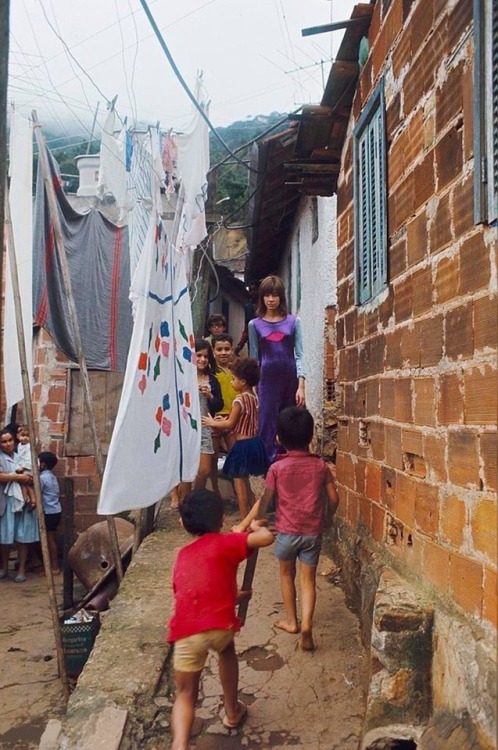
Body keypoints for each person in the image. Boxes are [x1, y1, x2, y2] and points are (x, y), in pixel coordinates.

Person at [167, 488, 274, 750]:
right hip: (218, 627)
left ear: (183, 523)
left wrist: (233, 597)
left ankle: (180, 744)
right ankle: (232, 710)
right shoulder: (227, 543)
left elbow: (192, 592)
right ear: (222, 519)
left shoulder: (183, 555)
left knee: (184, 694)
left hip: (185, 630)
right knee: (226, 650)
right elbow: (267, 537)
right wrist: (254, 527)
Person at [234, 407, 338, 652]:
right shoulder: (321, 467)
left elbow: (265, 500)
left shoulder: (277, 469)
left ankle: (292, 622)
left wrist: (251, 523)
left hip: (287, 533)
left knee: (286, 575)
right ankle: (307, 626)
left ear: (279, 438)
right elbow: (333, 499)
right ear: (310, 437)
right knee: (308, 580)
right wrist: (327, 519)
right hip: (312, 532)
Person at [248, 274, 305, 461]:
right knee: (266, 421)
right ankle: (268, 466)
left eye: (275, 295)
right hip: (266, 381)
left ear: (281, 297)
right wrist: (253, 387)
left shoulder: (294, 322)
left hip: (290, 380)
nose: (271, 299)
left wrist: (301, 386)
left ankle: (292, 461)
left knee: (291, 421)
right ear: (261, 298)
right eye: (267, 295)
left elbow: (300, 355)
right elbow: (254, 358)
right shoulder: (254, 325)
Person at [203, 358, 269, 518]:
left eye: (234, 379)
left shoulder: (239, 400)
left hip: (242, 446)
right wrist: (222, 421)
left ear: (243, 382)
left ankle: (245, 518)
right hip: (255, 442)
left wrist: (212, 421)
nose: (232, 382)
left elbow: (230, 424)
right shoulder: (254, 397)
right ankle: (257, 518)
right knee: (248, 484)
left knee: (240, 486)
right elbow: (240, 420)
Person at [0, 428, 39, 582]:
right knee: (4, 536)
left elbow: (32, 475)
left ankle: (21, 569)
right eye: (4, 442)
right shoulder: (1, 458)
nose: (8, 444)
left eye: (10, 440)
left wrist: (26, 478)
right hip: (6, 501)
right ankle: (4, 567)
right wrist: (19, 477)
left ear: (14, 441)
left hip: (23, 501)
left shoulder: (22, 455)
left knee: (22, 536)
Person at [193, 339, 223, 490]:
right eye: (198, 355)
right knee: (185, 471)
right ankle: (186, 506)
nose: (202, 359)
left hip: (205, 427)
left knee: (204, 470)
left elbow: (219, 404)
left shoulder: (212, 380)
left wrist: (210, 396)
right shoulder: (185, 378)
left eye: (205, 357)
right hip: (187, 429)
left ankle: (195, 501)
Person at [210, 333, 238, 495]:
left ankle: (237, 489)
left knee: (234, 454)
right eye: (219, 349)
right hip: (215, 418)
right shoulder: (211, 372)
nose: (223, 353)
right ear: (213, 351)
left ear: (232, 350)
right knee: (213, 459)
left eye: (227, 349)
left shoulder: (236, 370)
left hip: (232, 419)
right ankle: (215, 491)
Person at [38, 452, 62, 574]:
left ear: (43, 464)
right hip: (56, 510)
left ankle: (54, 567)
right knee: (51, 537)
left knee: (49, 539)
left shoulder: (42, 478)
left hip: (48, 511)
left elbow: (38, 492)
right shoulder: (52, 477)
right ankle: (52, 565)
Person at [6, 424, 36, 511]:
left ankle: (25, 499)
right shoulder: (20, 446)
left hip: (28, 467)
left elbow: (28, 458)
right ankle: (31, 500)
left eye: (27, 436)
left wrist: (22, 467)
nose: (25, 438)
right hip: (23, 466)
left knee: (24, 482)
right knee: (26, 485)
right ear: (17, 436)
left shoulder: (29, 446)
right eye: (23, 436)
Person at [234, 280, 259, 356]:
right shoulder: (248, 307)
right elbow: (247, 328)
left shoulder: (265, 305)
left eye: (255, 290)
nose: (252, 292)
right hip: (252, 341)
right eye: (250, 290)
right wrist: (240, 345)